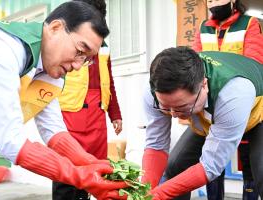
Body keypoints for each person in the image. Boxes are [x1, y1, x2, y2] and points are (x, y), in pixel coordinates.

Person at [0, 1, 128, 200]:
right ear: (55, 28)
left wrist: (90, 162)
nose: (78, 66)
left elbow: (54, 131)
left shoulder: (51, 72)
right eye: (79, 51)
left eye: (86, 59)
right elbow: (10, 141)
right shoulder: (0, 45)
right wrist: (79, 176)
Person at [142, 46, 263, 200]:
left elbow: (210, 166)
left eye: (181, 107)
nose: (172, 114)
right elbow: (156, 145)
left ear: (203, 85)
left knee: (261, 171)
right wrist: (143, 191)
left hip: (258, 112)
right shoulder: (154, 90)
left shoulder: (233, 92)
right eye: (166, 107)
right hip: (215, 114)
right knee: (176, 166)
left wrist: (159, 194)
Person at [52, 0, 123, 199]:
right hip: (70, 113)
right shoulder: (67, 41)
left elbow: (109, 81)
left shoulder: (103, 47)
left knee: (93, 168)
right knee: (67, 171)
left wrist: (115, 114)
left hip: (97, 116)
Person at [193, 0, 262, 199]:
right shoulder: (203, 27)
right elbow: (194, 62)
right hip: (212, 103)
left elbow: (254, 63)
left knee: (251, 164)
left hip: (246, 100)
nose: (213, 2)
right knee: (212, 158)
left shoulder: (249, 24)